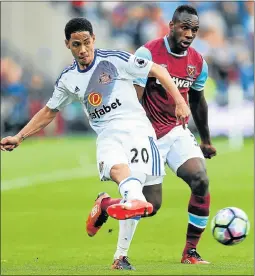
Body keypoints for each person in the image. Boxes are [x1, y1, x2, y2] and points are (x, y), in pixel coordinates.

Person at [0, 17, 190, 267]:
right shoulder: (68, 79)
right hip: (108, 135)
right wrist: (20, 136)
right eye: (76, 44)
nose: (83, 50)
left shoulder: (115, 59)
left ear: (94, 40)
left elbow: (158, 70)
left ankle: (106, 204)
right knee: (123, 179)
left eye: (86, 43)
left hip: (138, 130)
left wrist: (179, 101)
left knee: (150, 204)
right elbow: (49, 111)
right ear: (67, 44)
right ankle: (120, 257)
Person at [88, 5, 217, 268]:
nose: (190, 33)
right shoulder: (149, 53)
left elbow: (198, 101)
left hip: (175, 131)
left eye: (194, 29)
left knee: (200, 180)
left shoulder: (197, 62)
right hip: (145, 135)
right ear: (171, 26)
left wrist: (205, 139)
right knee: (149, 204)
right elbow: (133, 95)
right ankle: (111, 223)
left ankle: (190, 252)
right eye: (185, 27)